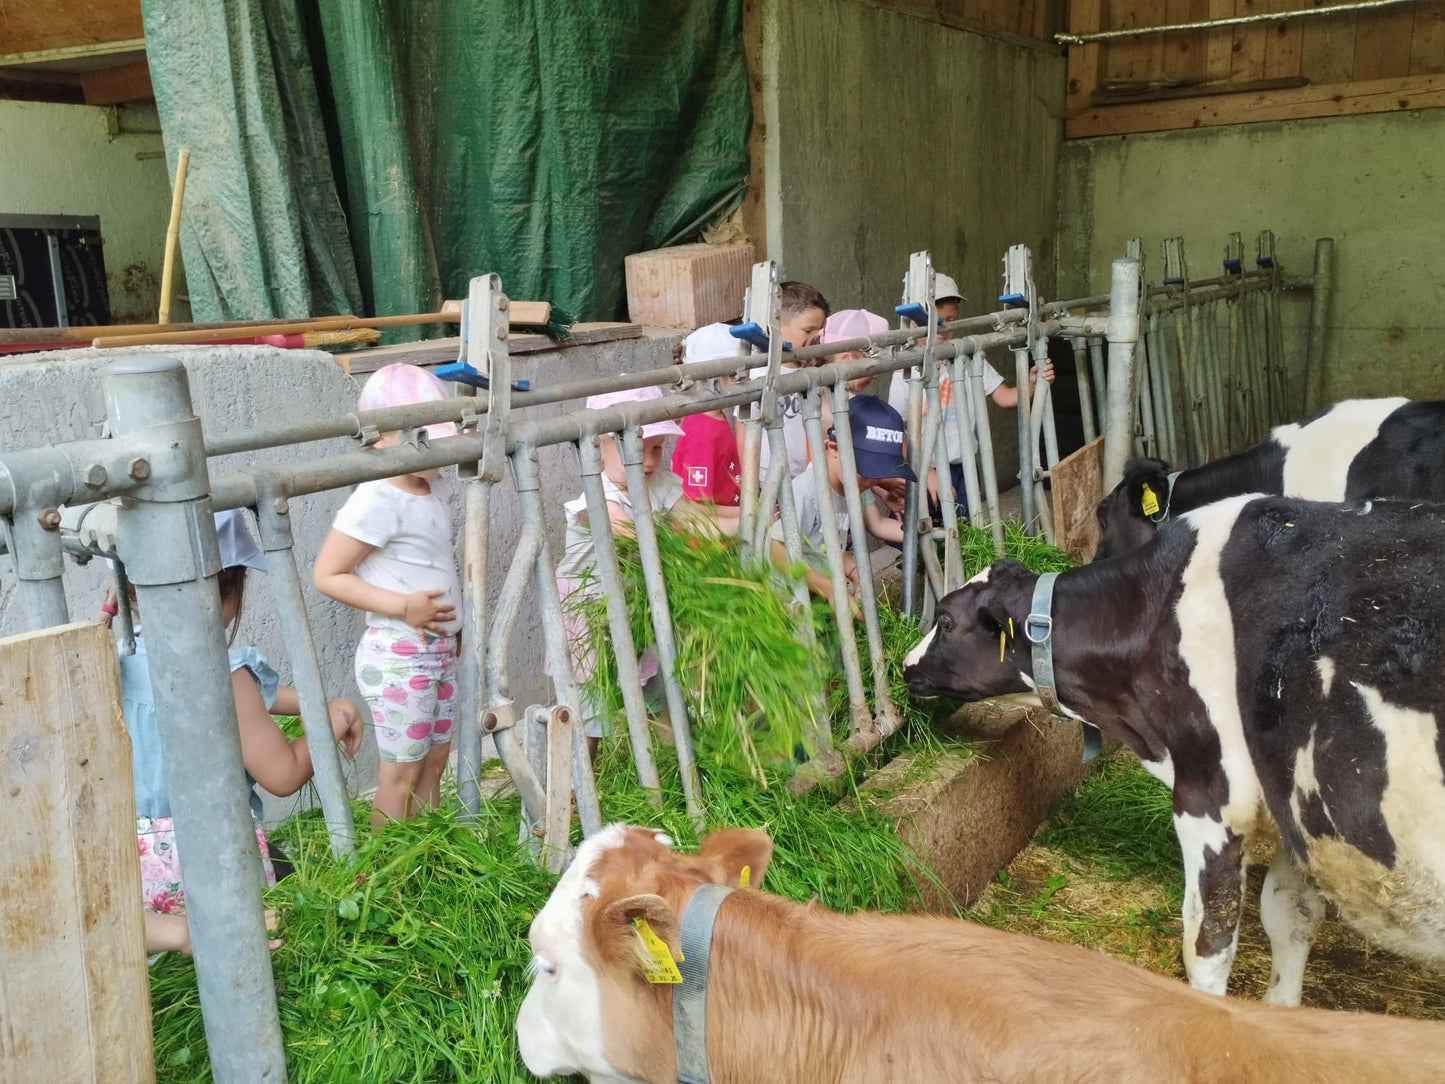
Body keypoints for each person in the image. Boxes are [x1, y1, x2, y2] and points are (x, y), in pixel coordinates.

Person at [117, 509, 363, 934]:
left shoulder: (121, 658)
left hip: (136, 868)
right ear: (225, 590)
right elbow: (283, 775)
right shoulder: (224, 677)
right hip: (211, 862)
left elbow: (240, 705)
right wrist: (333, 721)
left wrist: (313, 703)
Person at [313, 363, 461, 828]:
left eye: (435, 435)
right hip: (401, 652)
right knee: (401, 773)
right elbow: (329, 573)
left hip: (438, 650)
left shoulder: (430, 485)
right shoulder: (376, 497)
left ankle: (431, 862)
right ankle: (385, 875)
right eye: (419, 436)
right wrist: (404, 607)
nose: (431, 447)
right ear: (380, 437)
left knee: (437, 762)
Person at [556, 385, 685, 756]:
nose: (647, 460)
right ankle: (575, 795)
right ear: (599, 447)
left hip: (635, 609)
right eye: (636, 447)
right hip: (592, 618)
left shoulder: (656, 484)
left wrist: (749, 519)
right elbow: (640, 540)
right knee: (590, 713)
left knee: (661, 696)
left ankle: (680, 776)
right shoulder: (596, 499)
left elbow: (698, 520)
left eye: (657, 448)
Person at [887, 271, 1055, 513]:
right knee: (926, 530)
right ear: (913, 323)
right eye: (934, 323)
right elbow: (899, 432)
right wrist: (925, 471)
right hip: (924, 468)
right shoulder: (905, 371)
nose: (943, 330)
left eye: (950, 320)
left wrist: (1030, 386)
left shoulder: (967, 359)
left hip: (964, 465)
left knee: (967, 524)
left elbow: (1005, 397)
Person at [769, 395, 914, 609]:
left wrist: (855, 571)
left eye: (879, 473)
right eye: (867, 470)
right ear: (833, 450)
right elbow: (776, 551)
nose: (873, 480)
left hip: (819, 603)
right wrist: (827, 586)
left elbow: (833, 547)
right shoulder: (806, 492)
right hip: (787, 604)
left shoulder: (854, 486)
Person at [746, 280, 830, 480]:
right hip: (770, 480)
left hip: (809, 475)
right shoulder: (758, 374)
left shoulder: (815, 370)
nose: (815, 338)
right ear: (777, 327)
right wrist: (748, 482)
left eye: (820, 331)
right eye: (808, 331)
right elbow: (745, 430)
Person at [671, 323, 744, 536]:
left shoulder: (715, 415)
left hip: (723, 530)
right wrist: (747, 517)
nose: (742, 383)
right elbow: (694, 507)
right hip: (704, 543)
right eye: (736, 375)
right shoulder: (702, 432)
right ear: (715, 377)